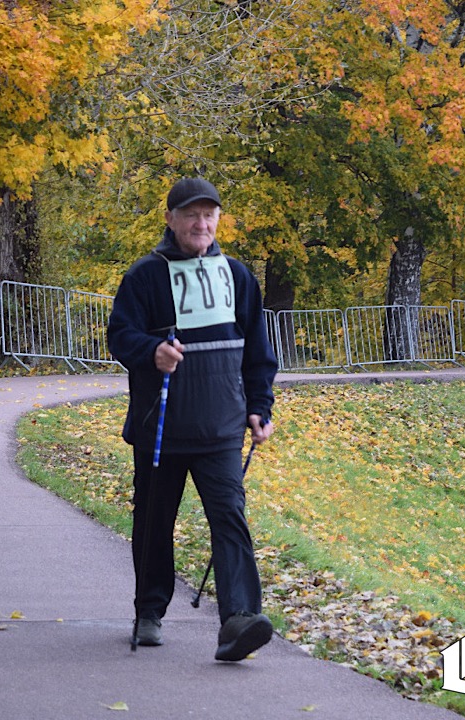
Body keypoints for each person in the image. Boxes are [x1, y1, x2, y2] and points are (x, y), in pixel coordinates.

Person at [106, 177, 278, 661]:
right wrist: (151, 351)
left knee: (229, 519)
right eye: (191, 215)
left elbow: (258, 354)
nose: (201, 224)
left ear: (218, 220)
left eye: (209, 215)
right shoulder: (145, 276)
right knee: (154, 522)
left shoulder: (238, 276)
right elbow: (119, 336)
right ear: (171, 219)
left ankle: (239, 620)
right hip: (161, 427)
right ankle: (149, 610)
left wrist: (260, 408)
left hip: (221, 428)